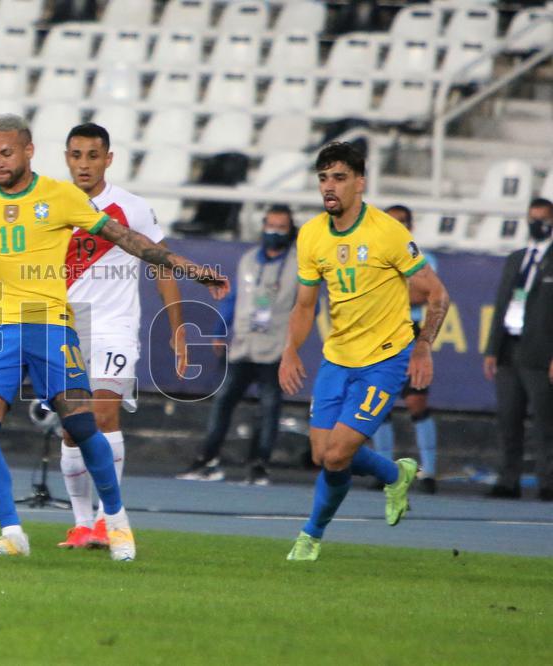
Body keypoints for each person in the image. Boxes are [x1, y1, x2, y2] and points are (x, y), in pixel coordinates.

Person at [0, 114, 228, 561]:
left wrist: (192, 270)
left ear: (28, 151)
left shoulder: (61, 196)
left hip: (51, 322)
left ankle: (117, 524)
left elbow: (129, 239)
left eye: (6, 153)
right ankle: (13, 533)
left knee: (84, 423)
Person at [279, 141, 449, 561]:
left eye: (338, 178)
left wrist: (423, 347)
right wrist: (290, 350)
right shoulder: (312, 233)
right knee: (322, 455)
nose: (329, 187)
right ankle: (397, 473)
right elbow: (304, 304)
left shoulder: (386, 232)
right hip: (337, 358)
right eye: (323, 178)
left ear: (360, 182)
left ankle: (310, 536)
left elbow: (436, 293)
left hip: (384, 359)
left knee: (338, 454)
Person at [56, 122, 187, 549]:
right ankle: (81, 525)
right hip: (64, 327)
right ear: (66, 158)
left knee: (104, 414)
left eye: (93, 156)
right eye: (76, 155)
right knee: (72, 428)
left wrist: (178, 327)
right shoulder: (52, 207)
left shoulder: (131, 208)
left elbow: (162, 264)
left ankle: (106, 519)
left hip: (113, 326)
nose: (84, 164)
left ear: (108, 159)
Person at [178, 205, 298, 486]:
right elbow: (235, 299)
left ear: (290, 230)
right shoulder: (248, 260)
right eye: (271, 225)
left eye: (281, 227)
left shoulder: (298, 264)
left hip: (275, 345)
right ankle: (208, 459)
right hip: (244, 343)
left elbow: (306, 307)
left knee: (269, 407)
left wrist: (294, 344)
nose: (274, 232)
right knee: (223, 402)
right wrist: (221, 329)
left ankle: (259, 464)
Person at [482, 197, 553, 501]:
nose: (537, 224)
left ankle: (548, 481)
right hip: (509, 347)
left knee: (545, 423)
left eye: (543, 219)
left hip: (540, 351)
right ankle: (507, 479)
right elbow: (501, 304)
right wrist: (491, 349)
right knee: (508, 420)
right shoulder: (517, 258)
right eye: (532, 218)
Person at [370, 205, 441, 494]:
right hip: (377, 334)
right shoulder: (372, 256)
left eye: (403, 222)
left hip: (408, 333)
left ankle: (429, 473)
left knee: (416, 403)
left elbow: (424, 294)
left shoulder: (423, 258)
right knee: (377, 404)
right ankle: (385, 470)